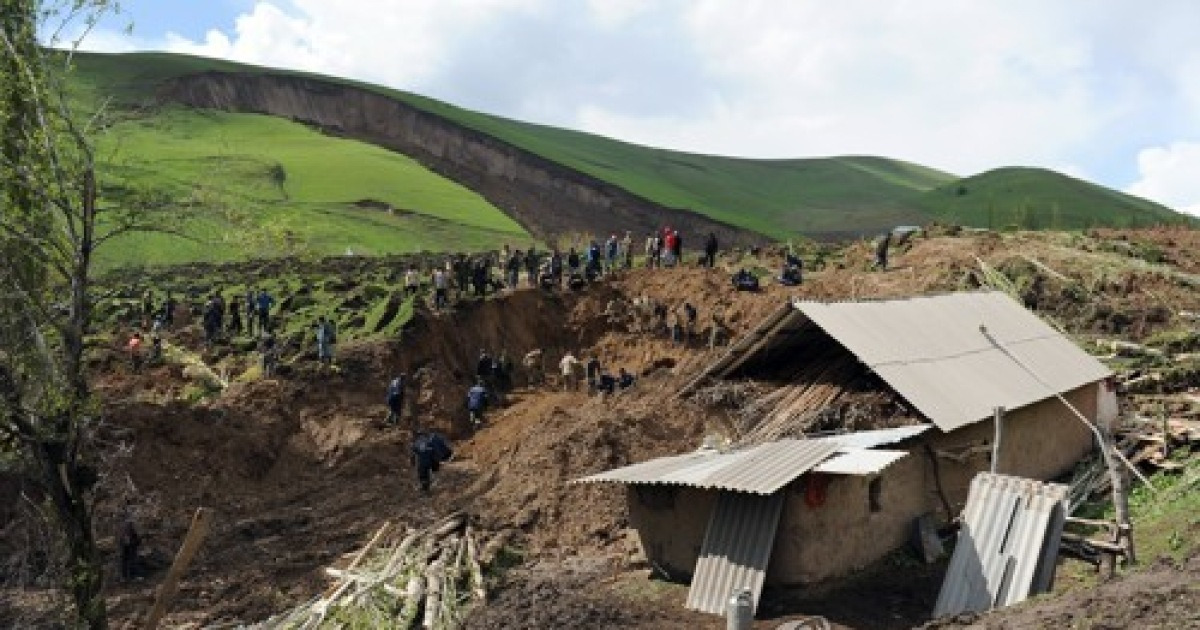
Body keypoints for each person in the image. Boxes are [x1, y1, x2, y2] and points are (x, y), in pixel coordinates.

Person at [411, 429, 453, 495]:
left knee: (423, 474)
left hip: (423, 462)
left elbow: (413, 453)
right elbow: (440, 449)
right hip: (433, 460)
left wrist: (413, 462)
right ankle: (431, 484)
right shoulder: (432, 439)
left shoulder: (416, 442)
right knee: (432, 471)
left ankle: (426, 488)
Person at [116, 503, 140, 582]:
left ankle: (125, 576)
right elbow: (133, 532)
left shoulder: (124, 521)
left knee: (126, 559)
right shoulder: (129, 522)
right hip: (128, 542)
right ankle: (129, 576)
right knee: (130, 559)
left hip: (126, 541)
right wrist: (133, 540)